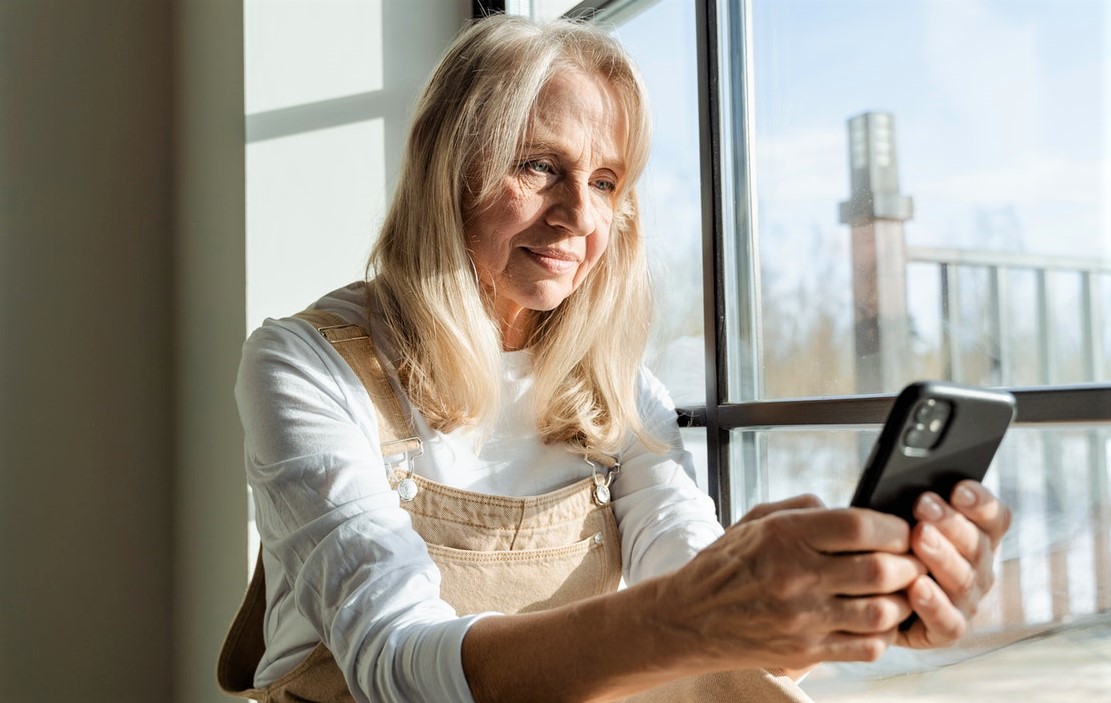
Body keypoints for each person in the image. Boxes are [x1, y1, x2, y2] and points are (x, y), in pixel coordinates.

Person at [218, 14, 1012, 703]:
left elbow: (700, 594)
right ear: (445, 167)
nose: (578, 217)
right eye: (537, 166)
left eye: (605, 181)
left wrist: (843, 602)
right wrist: (699, 608)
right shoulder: (303, 364)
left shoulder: (619, 391)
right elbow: (391, 664)